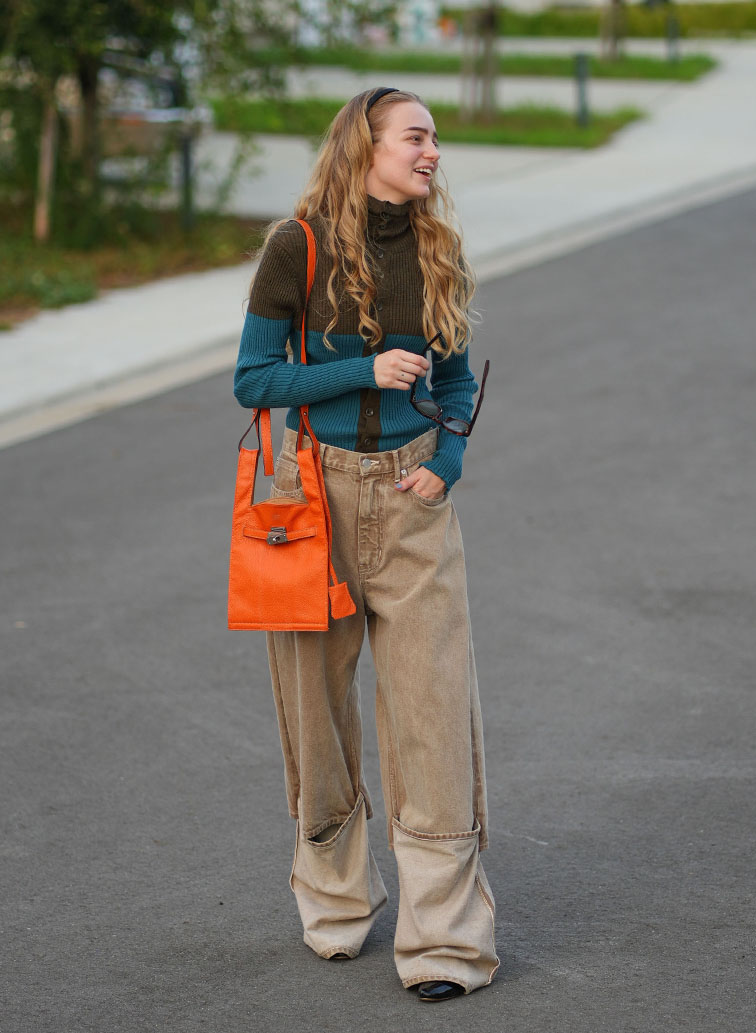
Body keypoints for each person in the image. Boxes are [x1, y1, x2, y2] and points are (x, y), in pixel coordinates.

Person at [234, 87, 499, 1002]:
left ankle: (446, 943)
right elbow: (253, 378)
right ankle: (337, 905)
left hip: (415, 493)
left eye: (433, 138)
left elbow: (459, 378)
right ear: (367, 146)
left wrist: (452, 457)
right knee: (315, 707)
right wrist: (361, 367)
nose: (433, 152)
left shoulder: (438, 250)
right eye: (417, 137)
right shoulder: (294, 248)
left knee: (433, 713)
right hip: (315, 497)